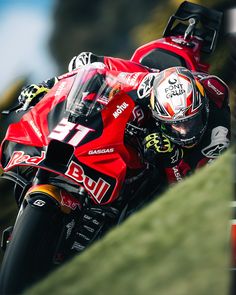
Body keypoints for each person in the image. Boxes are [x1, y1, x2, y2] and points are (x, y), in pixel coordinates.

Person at [18, 55, 230, 184]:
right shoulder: (145, 80)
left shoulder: (216, 133)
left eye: (190, 122)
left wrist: (171, 158)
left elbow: (187, 189)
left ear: (202, 108)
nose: (184, 132)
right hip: (133, 126)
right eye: (176, 125)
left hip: (158, 167)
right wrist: (50, 84)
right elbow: (93, 66)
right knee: (84, 62)